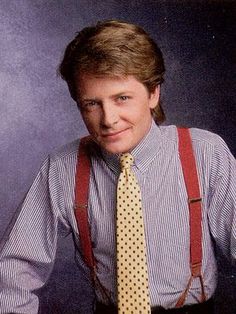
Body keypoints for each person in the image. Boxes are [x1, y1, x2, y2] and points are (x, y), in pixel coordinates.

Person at [0, 19, 235, 314]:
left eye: (122, 98)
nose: (109, 119)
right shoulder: (62, 168)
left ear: (153, 94)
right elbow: (14, 271)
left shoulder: (205, 153)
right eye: (92, 104)